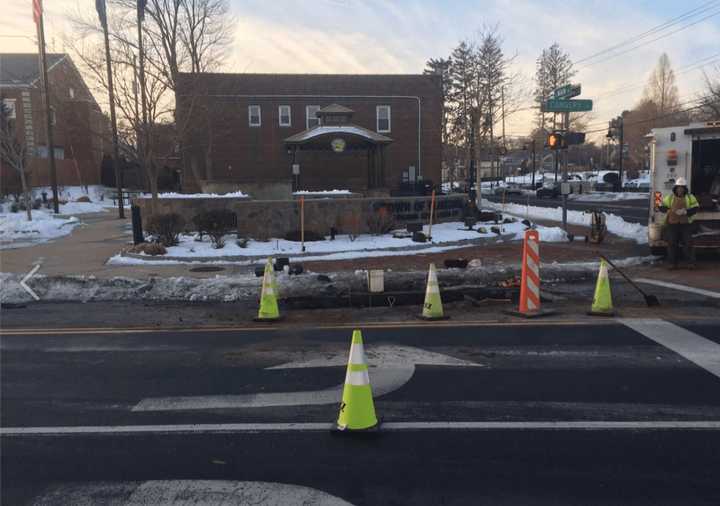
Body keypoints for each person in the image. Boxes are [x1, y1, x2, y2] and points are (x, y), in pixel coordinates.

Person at [658, 177, 699, 269]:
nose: (680, 190)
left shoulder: (690, 197)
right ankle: (672, 263)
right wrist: (668, 210)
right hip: (672, 224)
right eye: (678, 188)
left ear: (685, 189)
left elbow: (696, 207)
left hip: (686, 224)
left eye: (682, 188)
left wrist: (686, 212)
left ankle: (691, 263)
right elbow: (661, 206)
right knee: (672, 244)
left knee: (688, 243)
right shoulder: (670, 197)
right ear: (675, 188)